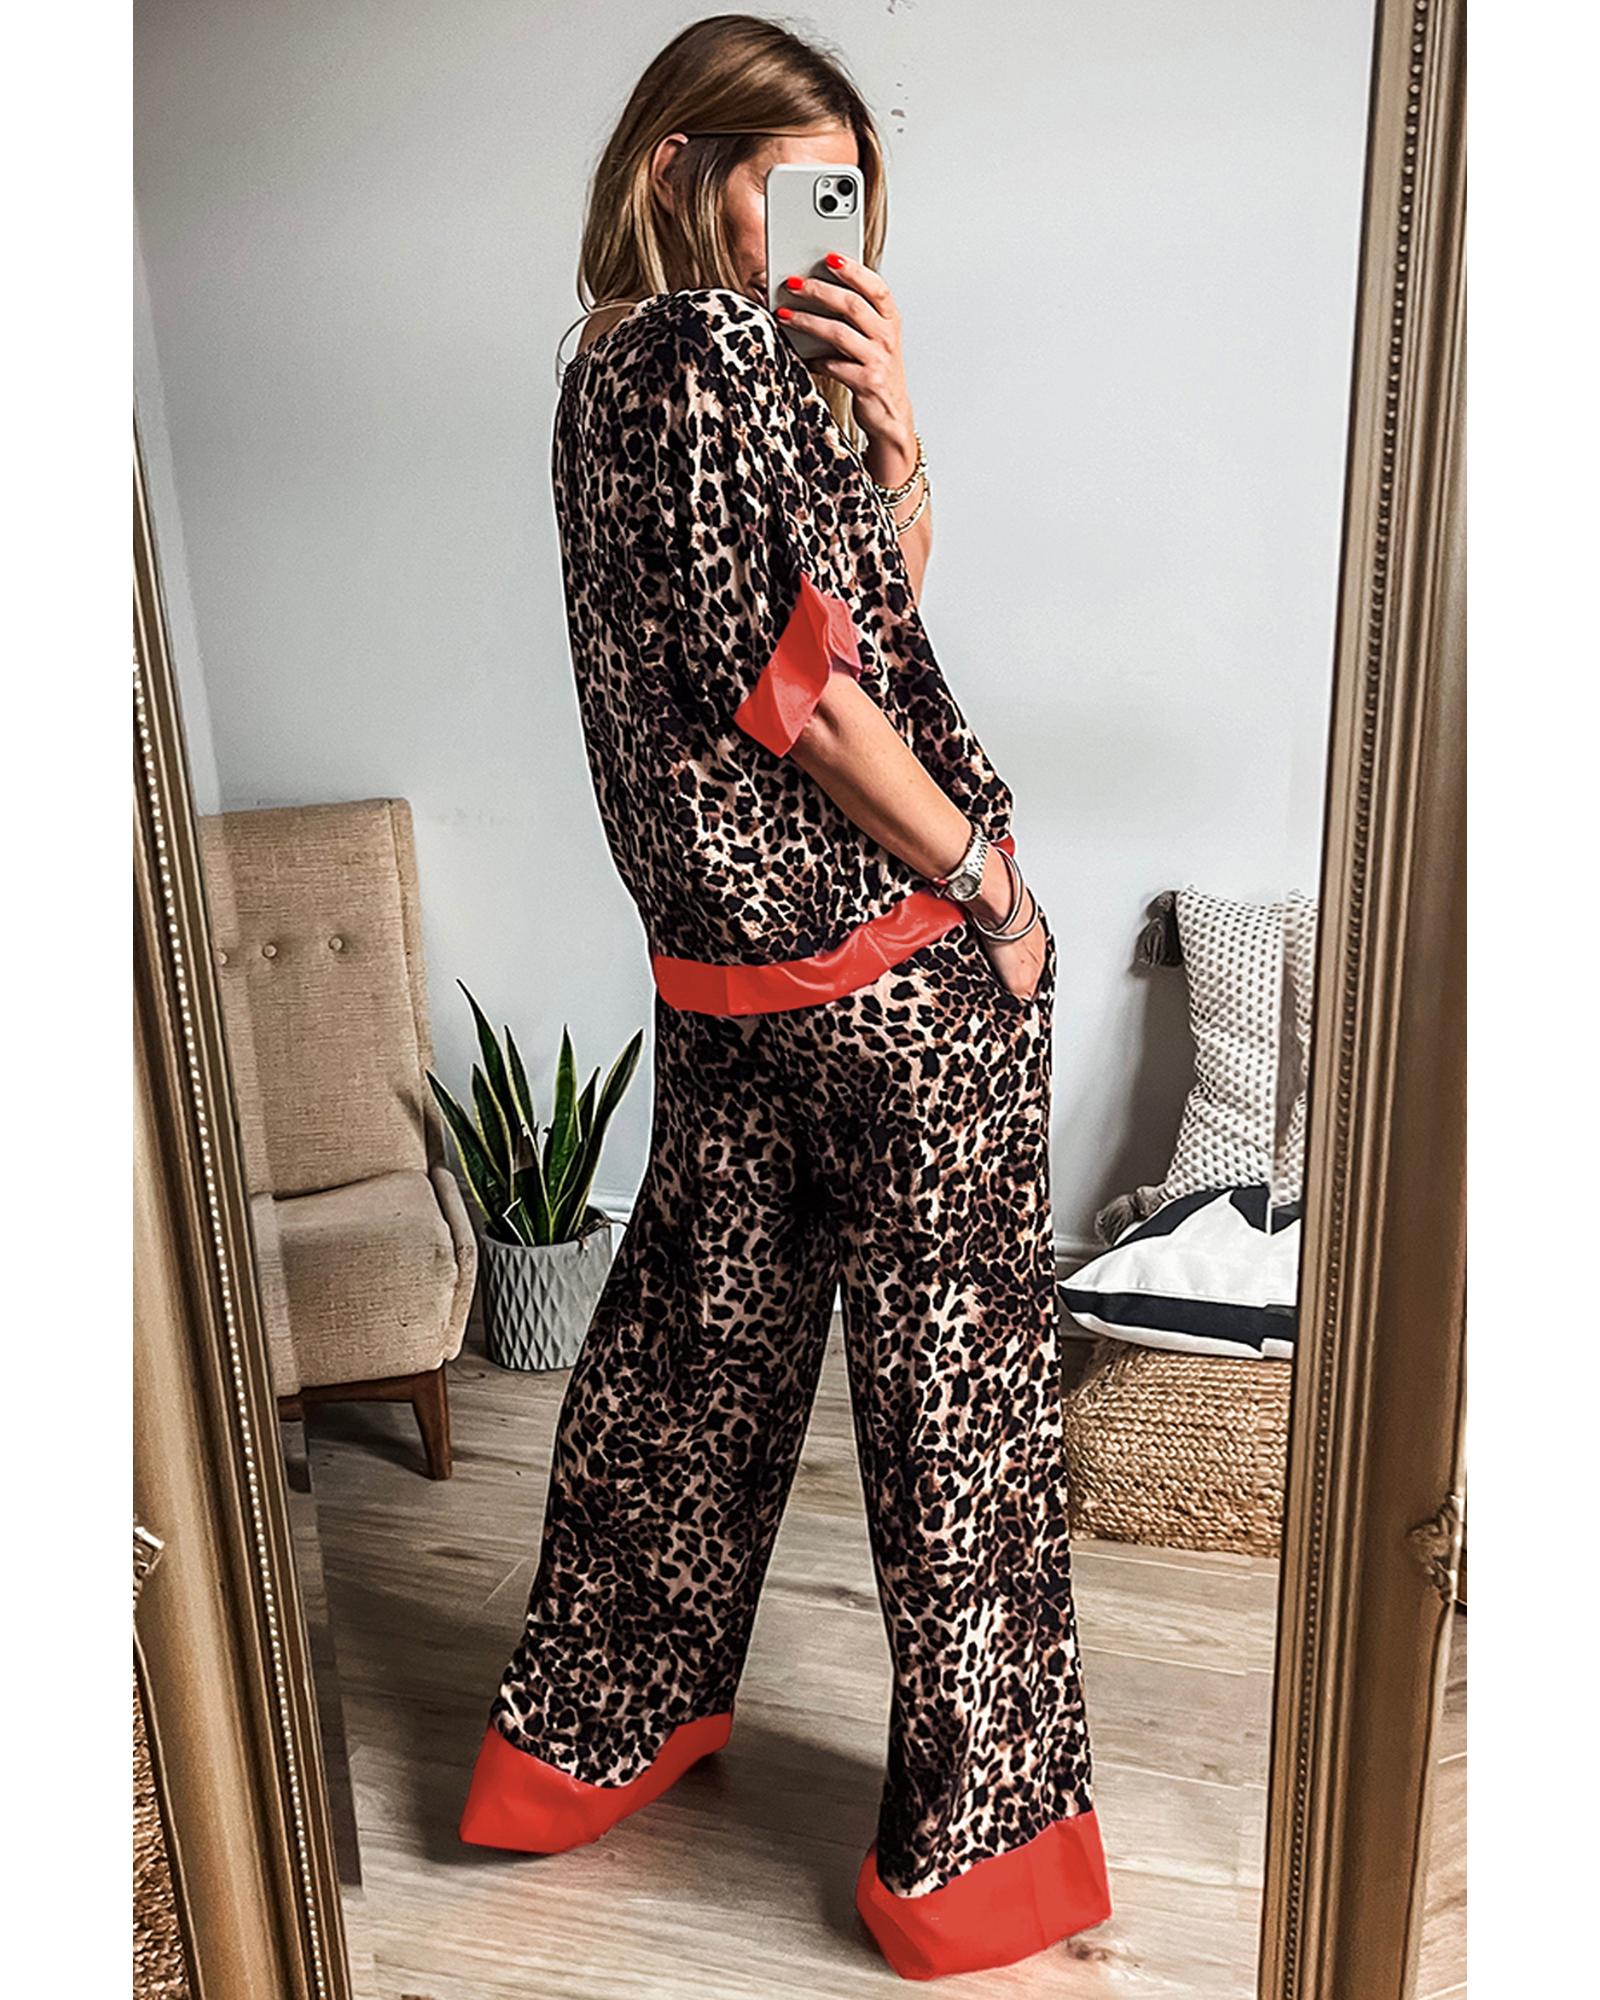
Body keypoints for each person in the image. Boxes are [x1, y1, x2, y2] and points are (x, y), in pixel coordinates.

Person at [457, 15, 1111, 1980]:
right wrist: (989, 881)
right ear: (675, 163)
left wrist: (890, 436)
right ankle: (971, 1869)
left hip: (730, 988)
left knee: (689, 1372)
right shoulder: (702, 352)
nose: (816, 231)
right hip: (894, 976)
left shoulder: (610, 373)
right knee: (957, 1404)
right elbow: (813, 697)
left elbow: (862, 621)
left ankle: (583, 1745)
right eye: (785, 183)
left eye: (844, 197)